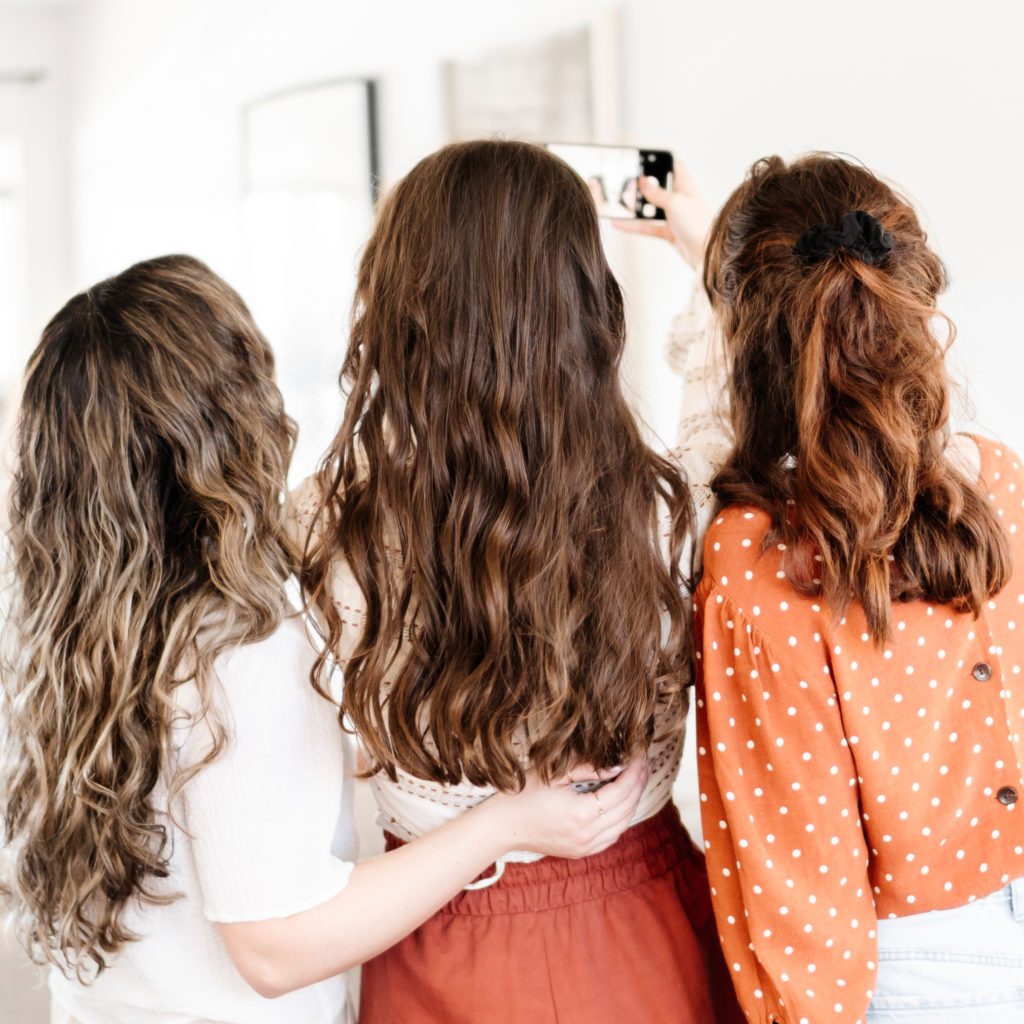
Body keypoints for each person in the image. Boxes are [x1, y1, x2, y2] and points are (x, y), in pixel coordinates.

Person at [0, 254, 651, 1024]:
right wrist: (509, 821)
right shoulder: (240, 642)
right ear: (230, 418)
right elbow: (276, 946)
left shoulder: (52, 625)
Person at [295, 139, 743, 1024]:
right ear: (583, 304)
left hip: (435, 925)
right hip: (641, 923)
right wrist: (708, 248)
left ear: (399, 304)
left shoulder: (321, 523)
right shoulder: (670, 509)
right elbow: (732, 390)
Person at [692, 154, 1024, 1024]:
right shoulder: (995, 485)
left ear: (745, 335)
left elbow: (799, 872)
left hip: (912, 967)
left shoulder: (757, 553)